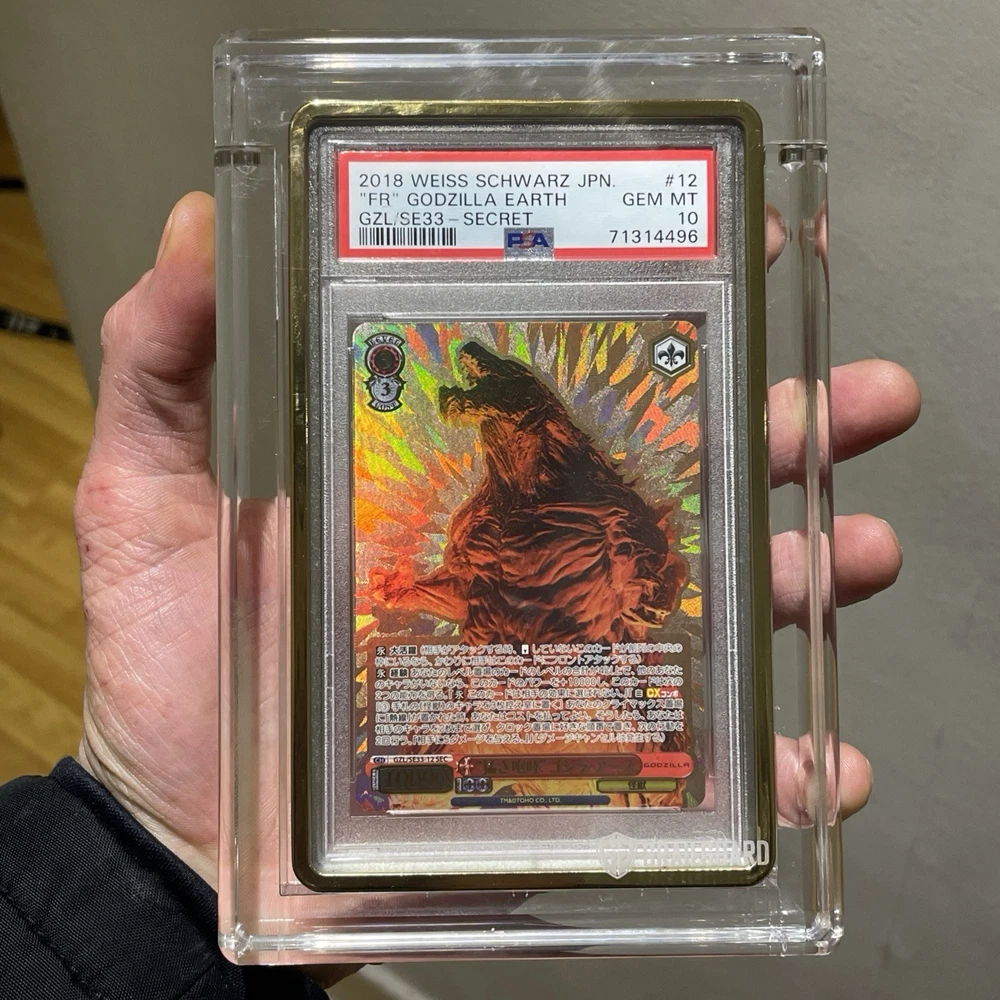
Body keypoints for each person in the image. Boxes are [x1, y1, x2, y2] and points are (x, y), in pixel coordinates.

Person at [0, 193, 921, 998]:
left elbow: (592, 559)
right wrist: (165, 853)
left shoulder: (591, 514)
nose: (495, 439)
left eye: (508, 425)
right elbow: (476, 586)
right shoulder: (491, 523)